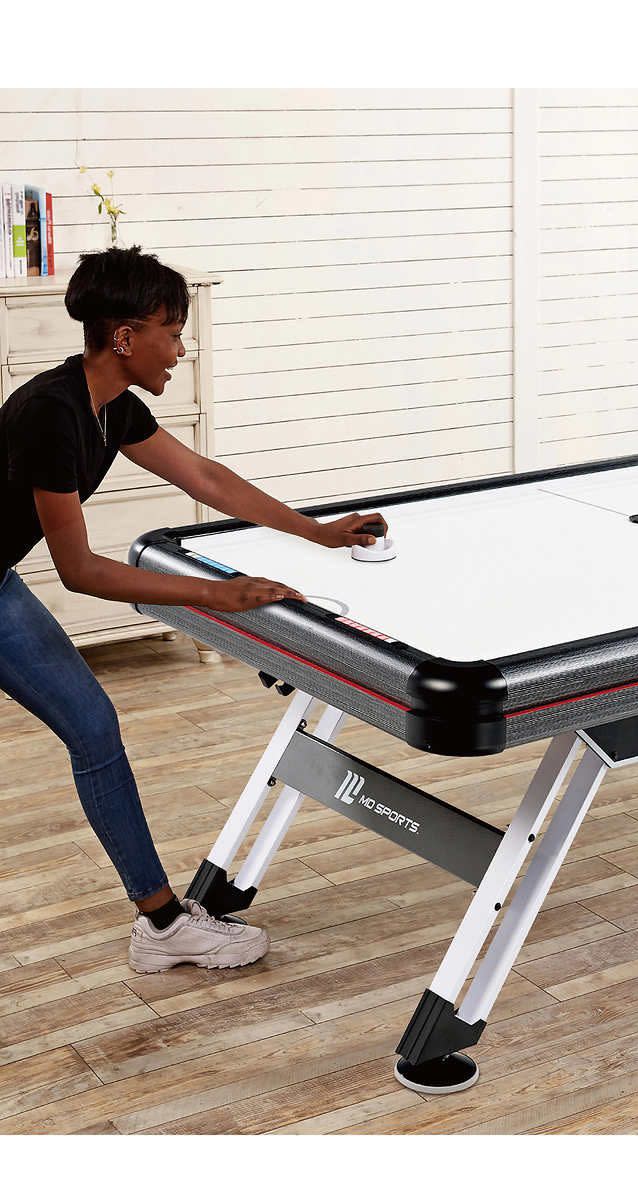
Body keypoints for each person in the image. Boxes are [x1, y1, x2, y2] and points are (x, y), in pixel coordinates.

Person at [0, 246, 387, 971]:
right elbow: (80, 571)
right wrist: (219, 592)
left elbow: (206, 477)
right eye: (172, 331)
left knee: (92, 726)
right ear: (125, 336)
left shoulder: (111, 410)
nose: (182, 349)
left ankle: (163, 924)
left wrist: (318, 531)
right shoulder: (50, 414)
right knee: (92, 727)